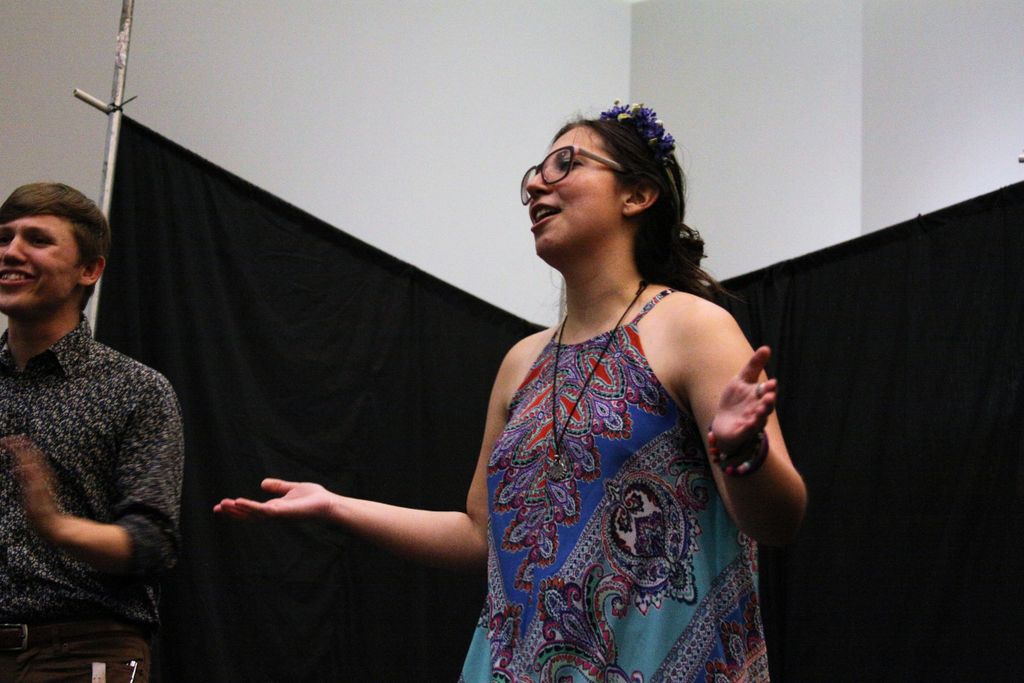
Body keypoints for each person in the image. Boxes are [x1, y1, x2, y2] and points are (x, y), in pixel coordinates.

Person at [215, 101, 806, 681]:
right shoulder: (521, 362)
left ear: (637, 195)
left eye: (565, 164)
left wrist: (744, 453)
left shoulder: (692, 326)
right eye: (534, 176)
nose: (536, 187)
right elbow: (480, 536)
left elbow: (779, 522)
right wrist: (335, 505)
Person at [0, 182, 184, 682]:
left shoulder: (135, 390)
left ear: (89, 270)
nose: (11, 251)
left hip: (82, 652)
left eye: (37, 239)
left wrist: (58, 527)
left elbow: (152, 545)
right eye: (4, 237)